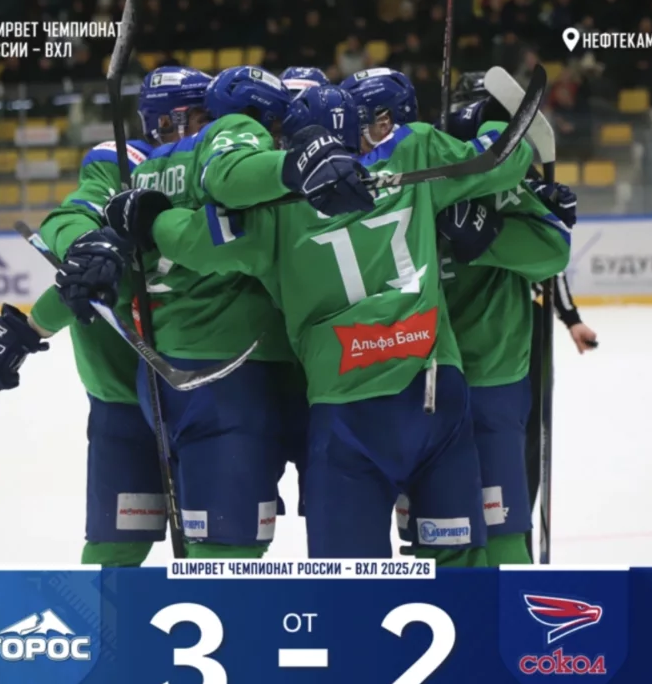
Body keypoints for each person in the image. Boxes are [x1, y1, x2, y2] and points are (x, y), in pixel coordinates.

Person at [100, 73, 535, 564]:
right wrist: (485, 126)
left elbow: (190, 241)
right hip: (435, 392)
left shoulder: (272, 214)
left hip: (347, 411)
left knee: (348, 578)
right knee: (459, 562)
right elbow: (506, 159)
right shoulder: (413, 153)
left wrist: (150, 217)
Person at [55, 65, 373, 560]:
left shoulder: (141, 168)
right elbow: (223, 209)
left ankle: (126, 615)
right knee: (241, 548)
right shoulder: (227, 156)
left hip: (159, 378)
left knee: (146, 545)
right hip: (246, 376)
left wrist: (31, 323)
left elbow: (81, 241)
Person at [0, 67, 211, 568]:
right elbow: (75, 225)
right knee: (119, 542)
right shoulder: (121, 163)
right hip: (121, 390)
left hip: (206, 384)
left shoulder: (216, 165)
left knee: (215, 542)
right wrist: (84, 249)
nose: (211, 126)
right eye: (199, 116)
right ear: (167, 120)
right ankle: (105, 621)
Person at [425, 95, 574, 565]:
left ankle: (511, 609)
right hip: (421, 380)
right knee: (437, 531)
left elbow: (552, 253)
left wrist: (490, 234)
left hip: (492, 377)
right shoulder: (416, 185)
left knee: (501, 523)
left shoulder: (502, 192)